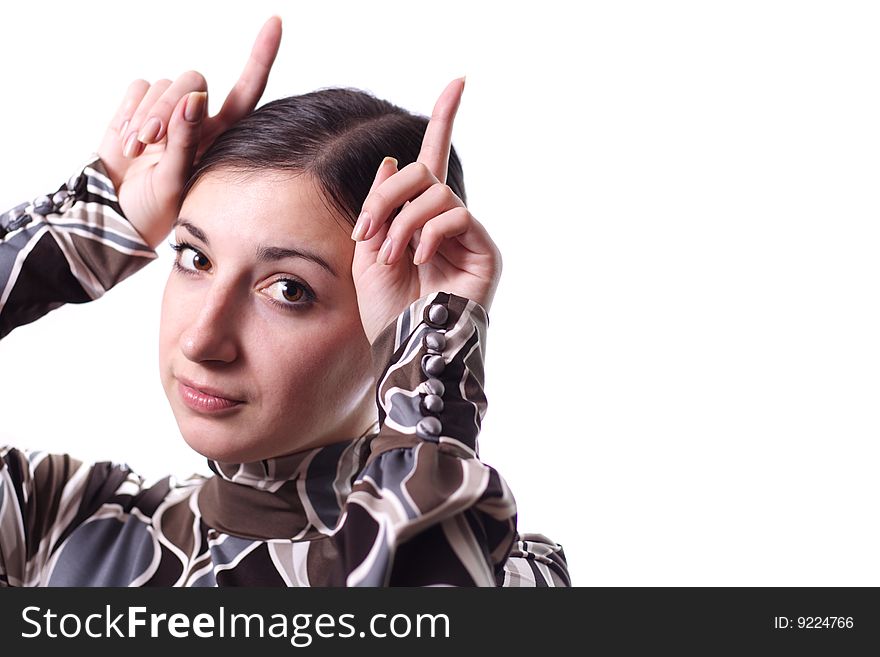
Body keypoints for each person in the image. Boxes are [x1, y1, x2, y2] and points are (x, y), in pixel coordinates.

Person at [0, 17, 570, 587]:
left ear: (392, 320)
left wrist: (431, 355)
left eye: (288, 289)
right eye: (196, 258)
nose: (201, 340)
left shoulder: (510, 575)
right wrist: (91, 224)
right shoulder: (62, 522)